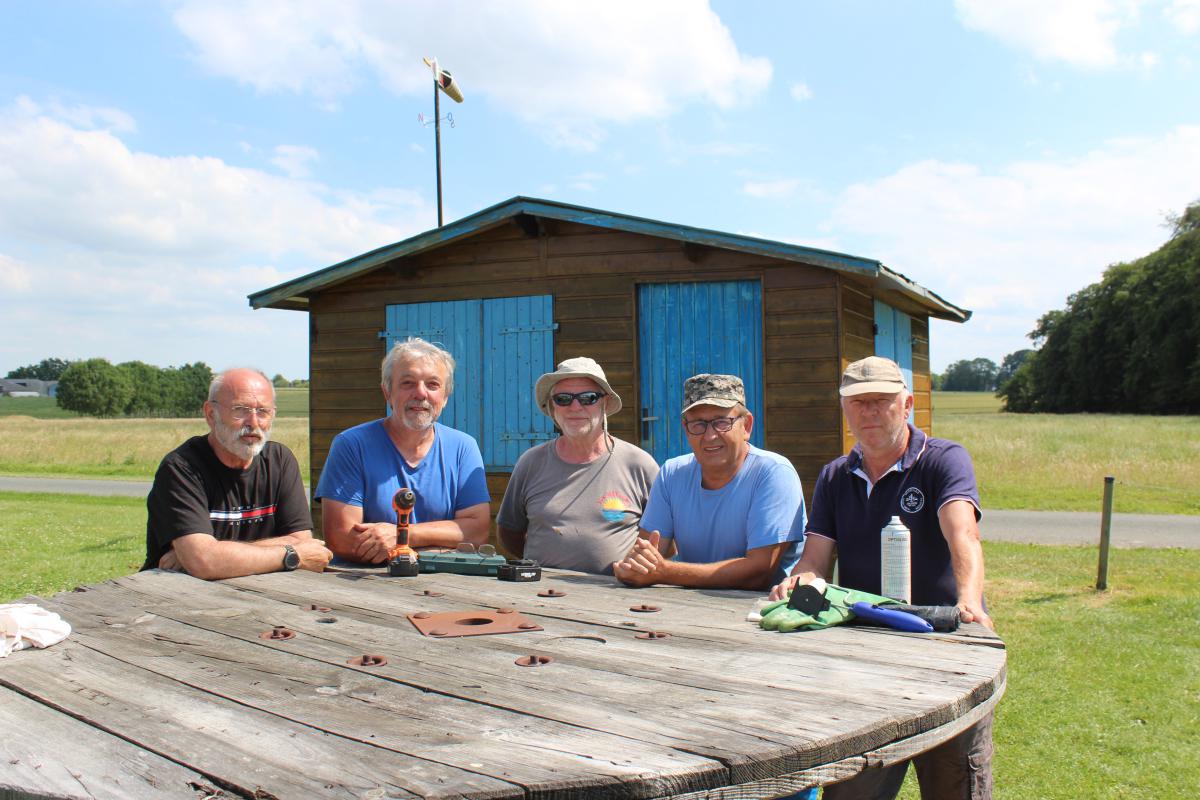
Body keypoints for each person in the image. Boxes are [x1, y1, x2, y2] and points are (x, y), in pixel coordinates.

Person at [768, 355, 994, 799]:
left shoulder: (942, 461)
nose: (869, 411)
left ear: (907, 404)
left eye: (882, 401)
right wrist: (801, 586)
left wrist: (970, 601)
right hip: (866, 655)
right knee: (854, 788)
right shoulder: (836, 475)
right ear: (845, 409)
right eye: (858, 402)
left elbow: (963, 532)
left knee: (955, 783)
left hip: (943, 642)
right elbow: (816, 559)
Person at [614, 373, 806, 590]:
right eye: (698, 424)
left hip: (762, 614)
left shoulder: (773, 473)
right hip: (687, 610)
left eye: (722, 422)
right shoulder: (671, 474)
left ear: (747, 426)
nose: (710, 435)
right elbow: (648, 555)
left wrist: (665, 572)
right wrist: (635, 567)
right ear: (685, 428)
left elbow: (759, 573)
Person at [144, 368, 331, 579]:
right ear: (210, 414)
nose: (253, 422)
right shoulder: (182, 468)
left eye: (263, 411)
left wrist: (214, 555)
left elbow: (303, 541)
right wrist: (291, 554)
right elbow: (204, 562)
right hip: (170, 599)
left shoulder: (279, 460)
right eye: (240, 410)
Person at [315, 338, 490, 564]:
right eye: (408, 383)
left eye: (433, 384)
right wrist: (438, 546)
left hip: (444, 584)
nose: (421, 393)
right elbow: (341, 537)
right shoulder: (351, 445)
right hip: (365, 583)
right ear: (387, 392)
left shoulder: (463, 448)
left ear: (445, 398)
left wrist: (401, 536)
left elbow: (477, 532)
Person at [497, 357, 659, 574]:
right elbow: (509, 532)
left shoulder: (639, 464)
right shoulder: (531, 462)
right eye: (563, 398)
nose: (575, 407)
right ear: (552, 407)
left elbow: (663, 542)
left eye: (588, 398)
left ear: (605, 403)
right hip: (537, 596)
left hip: (615, 599)